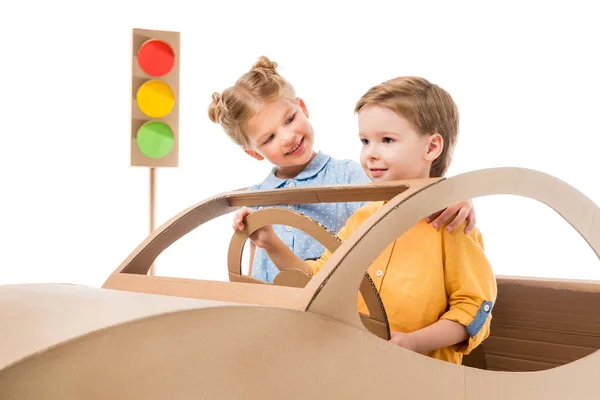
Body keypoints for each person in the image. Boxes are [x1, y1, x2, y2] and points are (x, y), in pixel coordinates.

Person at [234, 76, 497, 365]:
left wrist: (413, 342)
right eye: (365, 141)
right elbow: (319, 279)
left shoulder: (454, 223)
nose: (370, 153)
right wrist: (271, 244)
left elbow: (472, 309)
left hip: (423, 378)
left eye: (386, 140)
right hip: (356, 370)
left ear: (431, 147)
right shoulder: (361, 218)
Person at [209, 56, 477, 284]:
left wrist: (450, 195)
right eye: (268, 138)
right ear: (254, 152)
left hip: (331, 311)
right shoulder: (257, 197)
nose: (287, 137)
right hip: (275, 316)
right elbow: (254, 268)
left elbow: (399, 204)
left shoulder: (348, 175)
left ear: (302, 108)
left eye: (290, 119)